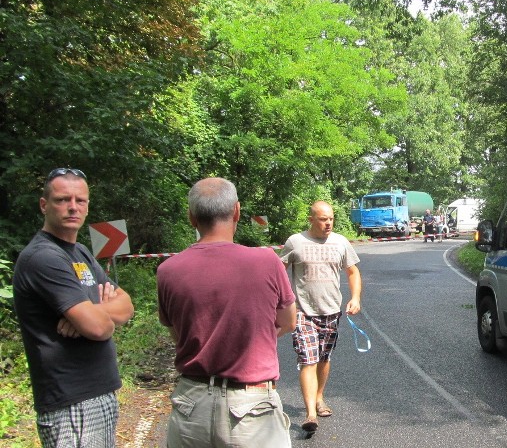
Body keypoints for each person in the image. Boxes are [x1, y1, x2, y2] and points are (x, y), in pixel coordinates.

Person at [156, 178, 297, 448]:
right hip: (251, 408)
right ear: (236, 211)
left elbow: (179, 334)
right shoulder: (266, 261)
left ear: (191, 217)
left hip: (191, 405)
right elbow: (288, 321)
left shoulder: (168, 271)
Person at [13, 167, 135, 447]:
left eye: (80, 201)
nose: (72, 207)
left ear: (88, 206)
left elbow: (126, 306)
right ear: (44, 205)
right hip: (71, 403)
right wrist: (96, 315)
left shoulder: (78, 252)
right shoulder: (44, 257)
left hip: (96, 395)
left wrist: (91, 311)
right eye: (62, 200)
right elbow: (99, 329)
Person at [279, 201, 362, 433]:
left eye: (331, 219)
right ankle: (310, 414)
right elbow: (278, 271)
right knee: (308, 359)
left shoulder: (340, 242)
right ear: (311, 220)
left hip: (332, 311)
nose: (328, 223)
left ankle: (319, 397)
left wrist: (355, 297)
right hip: (303, 311)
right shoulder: (295, 242)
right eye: (323, 219)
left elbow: (353, 271)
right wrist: (282, 301)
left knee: (324, 359)